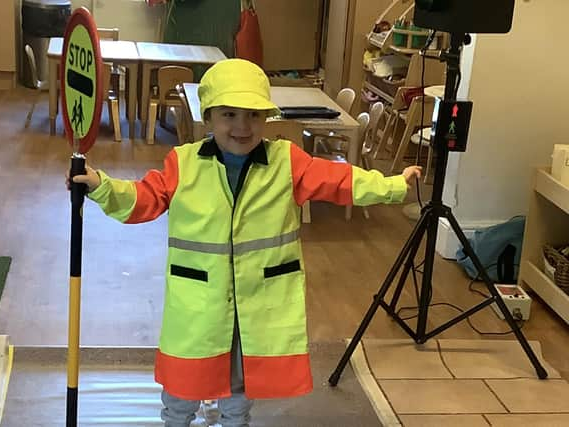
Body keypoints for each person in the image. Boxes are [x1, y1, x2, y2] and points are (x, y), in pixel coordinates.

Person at [68, 58, 421, 427]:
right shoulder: (183, 163)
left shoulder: (287, 161)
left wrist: (393, 185)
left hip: (257, 304)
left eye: (253, 115)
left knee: (240, 385)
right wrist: (101, 187)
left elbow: (340, 180)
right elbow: (143, 199)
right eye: (229, 114)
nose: (242, 126)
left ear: (265, 118)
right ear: (209, 116)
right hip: (199, 305)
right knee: (183, 385)